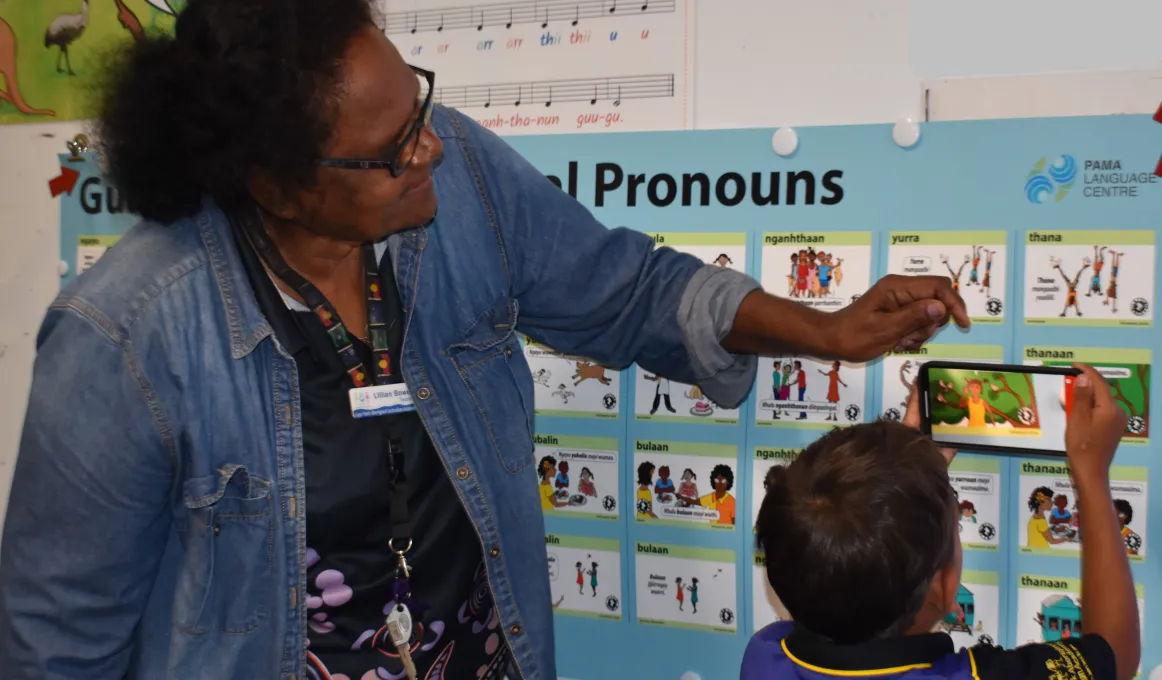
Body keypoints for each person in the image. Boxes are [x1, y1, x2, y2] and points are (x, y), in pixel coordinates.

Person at [0, 0, 968, 678]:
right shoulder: (123, 333)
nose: (428, 147)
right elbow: (59, 636)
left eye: (419, 106)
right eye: (390, 152)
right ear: (277, 182)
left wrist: (824, 328)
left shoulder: (457, 176)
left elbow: (626, 288)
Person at [744, 365, 1140, 680]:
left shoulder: (765, 654)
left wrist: (909, 477)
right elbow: (1115, 655)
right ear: (945, 585)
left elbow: (827, 566)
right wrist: (1091, 476)